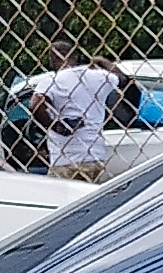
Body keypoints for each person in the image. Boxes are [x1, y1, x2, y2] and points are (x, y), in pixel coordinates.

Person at [18, 42, 127, 182]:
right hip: (94, 156)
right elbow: (122, 79)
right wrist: (102, 61)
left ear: (52, 59)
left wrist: (54, 125)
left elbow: (35, 104)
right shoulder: (98, 77)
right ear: (74, 56)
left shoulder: (51, 81)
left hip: (64, 159)